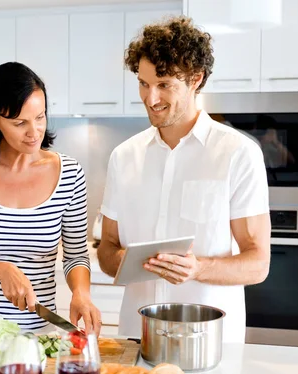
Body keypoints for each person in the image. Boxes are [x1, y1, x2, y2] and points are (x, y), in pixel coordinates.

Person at [97, 16, 271, 342]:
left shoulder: (238, 153)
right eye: (143, 83)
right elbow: (107, 248)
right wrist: (127, 261)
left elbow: (258, 262)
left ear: (195, 79)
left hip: (210, 340)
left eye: (164, 84)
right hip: (137, 337)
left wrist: (198, 268)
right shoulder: (124, 156)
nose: (151, 98)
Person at [0, 62, 101, 335]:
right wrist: (1, 270)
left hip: (38, 330)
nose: (34, 132)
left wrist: (81, 293)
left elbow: (75, 256)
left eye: (40, 117)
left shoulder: (69, 174)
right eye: (19, 122)